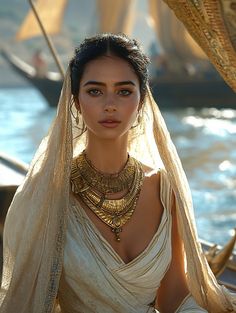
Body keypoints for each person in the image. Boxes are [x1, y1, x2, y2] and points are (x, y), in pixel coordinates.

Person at [0, 33, 235, 313]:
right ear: (75, 101)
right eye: (95, 91)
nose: (109, 104)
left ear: (142, 101)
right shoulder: (48, 193)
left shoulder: (164, 187)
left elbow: (173, 296)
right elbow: (29, 299)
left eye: (124, 91)